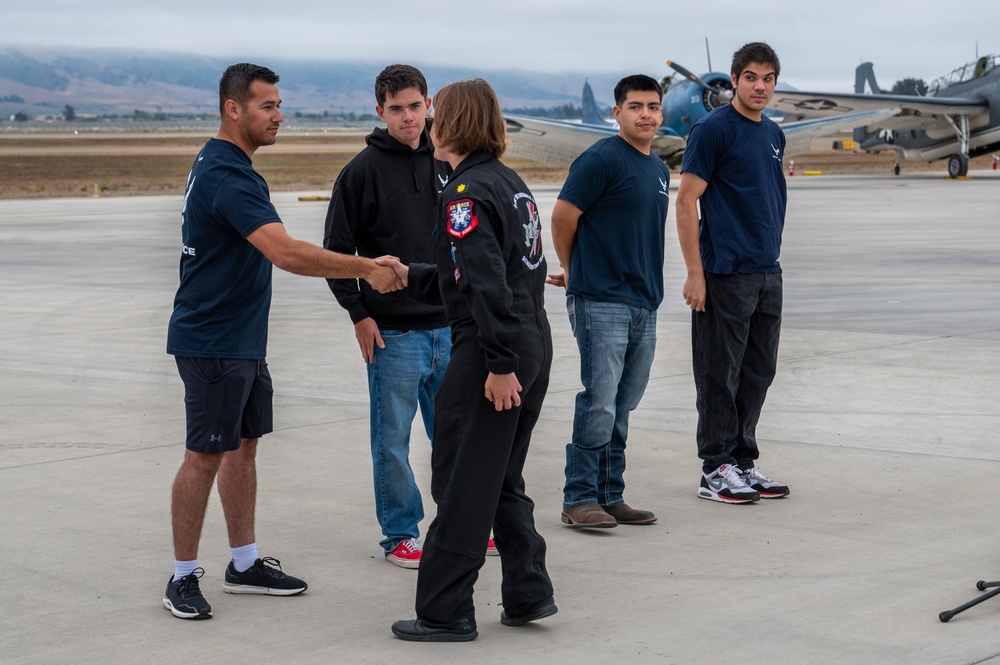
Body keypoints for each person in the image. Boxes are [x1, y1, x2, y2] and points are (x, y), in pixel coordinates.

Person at [163, 62, 403, 620]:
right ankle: (180, 577)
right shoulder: (228, 175)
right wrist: (366, 268)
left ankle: (244, 564)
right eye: (267, 106)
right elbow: (286, 251)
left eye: (278, 104)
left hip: (241, 339)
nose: (279, 115)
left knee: (243, 446)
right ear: (234, 109)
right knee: (204, 456)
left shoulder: (228, 164)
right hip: (214, 340)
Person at [388, 78, 556, 642]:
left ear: (454, 122)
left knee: (461, 479)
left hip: (491, 350)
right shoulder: (507, 183)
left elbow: (486, 285)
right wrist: (415, 275)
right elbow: (492, 273)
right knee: (500, 474)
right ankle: (528, 593)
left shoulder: (463, 192)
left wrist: (498, 363)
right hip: (530, 340)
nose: (429, 123)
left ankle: (445, 611)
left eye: (436, 114)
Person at [323, 64, 454, 569]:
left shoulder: (448, 163)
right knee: (393, 442)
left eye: (415, 106)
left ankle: (461, 522)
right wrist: (358, 313)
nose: (407, 117)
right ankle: (400, 533)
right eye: (396, 108)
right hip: (394, 333)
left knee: (456, 436)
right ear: (380, 111)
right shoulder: (361, 172)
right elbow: (337, 251)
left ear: (428, 106)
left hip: (450, 327)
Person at [548, 75, 670, 528]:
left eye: (653, 107)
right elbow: (563, 216)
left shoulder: (657, 168)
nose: (646, 114)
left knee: (624, 402)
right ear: (616, 113)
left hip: (644, 303)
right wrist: (574, 270)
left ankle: (610, 495)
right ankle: (578, 498)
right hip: (601, 299)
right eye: (635, 106)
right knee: (599, 399)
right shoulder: (601, 158)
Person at [675, 42, 792, 504]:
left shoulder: (774, 134)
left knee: (759, 372)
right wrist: (694, 273)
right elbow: (686, 202)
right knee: (718, 374)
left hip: (767, 271)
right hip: (724, 272)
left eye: (767, 79)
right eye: (750, 77)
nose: (759, 86)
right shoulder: (712, 130)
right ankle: (715, 468)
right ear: (735, 80)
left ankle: (743, 461)